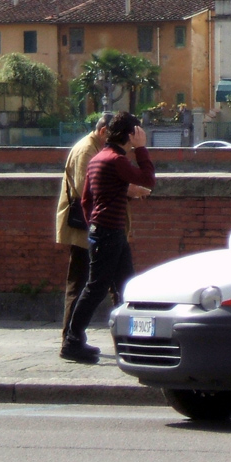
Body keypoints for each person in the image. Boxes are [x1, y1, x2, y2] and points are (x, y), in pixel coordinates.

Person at [61, 112, 155, 363]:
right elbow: (148, 179)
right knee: (96, 288)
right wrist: (143, 149)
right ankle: (72, 341)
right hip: (110, 232)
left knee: (125, 287)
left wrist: (94, 224)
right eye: (138, 133)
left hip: (105, 231)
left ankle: (131, 342)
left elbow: (86, 200)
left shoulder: (99, 157)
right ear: (130, 135)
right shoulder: (116, 160)